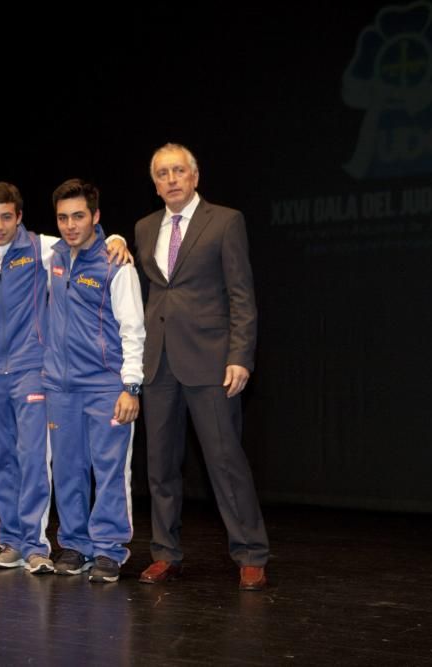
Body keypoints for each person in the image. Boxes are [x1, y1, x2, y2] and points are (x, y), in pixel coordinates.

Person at [0, 183, 132, 573]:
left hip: (35, 370)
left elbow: (90, 240)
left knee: (36, 461)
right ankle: (15, 540)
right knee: (2, 461)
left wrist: (116, 237)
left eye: (6, 216)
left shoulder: (43, 248)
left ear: (20, 217)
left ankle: (42, 544)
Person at [134, 143, 269, 590]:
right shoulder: (144, 227)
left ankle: (250, 554)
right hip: (159, 363)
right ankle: (165, 554)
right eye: (162, 173)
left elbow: (241, 294)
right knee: (161, 466)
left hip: (211, 361)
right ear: (155, 184)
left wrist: (240, 356)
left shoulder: (225, 221)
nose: (171, 179)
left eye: (178, 171)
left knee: (225, 461)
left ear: (194, 177)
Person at [43, 179, 145, 583]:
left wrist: (130, 386)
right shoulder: (50, 254)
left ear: (96, 217)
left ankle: (108, 548)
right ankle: (75, 544)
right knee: (67, 468)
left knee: (110, 469)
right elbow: (1, 243)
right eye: (63, 217)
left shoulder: (115, 264)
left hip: (106, 386)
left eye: (79, 216)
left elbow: (133, 329)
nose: (70, 225)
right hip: (60, 386)